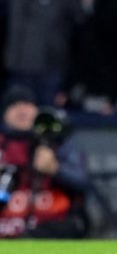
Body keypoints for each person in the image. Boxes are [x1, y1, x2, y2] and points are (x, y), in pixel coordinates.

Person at [0, 87, 89, 238]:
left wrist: (55, 169)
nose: (22, 110)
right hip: (7, 223)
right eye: (14, 105)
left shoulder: (56, 140)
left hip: (51, 223)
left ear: (36, 110)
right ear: (5, 114)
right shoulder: (2, 144)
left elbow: (83, 181)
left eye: (27, 104)